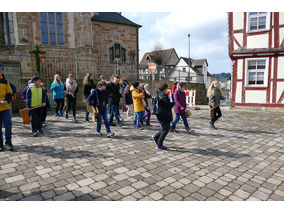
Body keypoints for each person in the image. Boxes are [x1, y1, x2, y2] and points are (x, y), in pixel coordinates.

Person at [152, 82, 175, 151]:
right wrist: (174, 103)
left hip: (159, 113)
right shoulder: (164, 95)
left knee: (164, 127)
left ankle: (156, 137)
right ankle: (159, 144)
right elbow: (168, 105)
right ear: (165, 88)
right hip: (163, 114)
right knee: (166, 129)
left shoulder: (157, 93)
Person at [0, 63, 14, 151]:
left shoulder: (5, 81)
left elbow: (9, 93)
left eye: (1, 69)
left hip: (5, 108)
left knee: (8, 124)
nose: (1, 71)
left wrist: (6, 100)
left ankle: (8, 142)